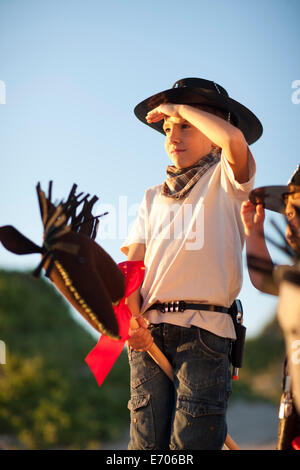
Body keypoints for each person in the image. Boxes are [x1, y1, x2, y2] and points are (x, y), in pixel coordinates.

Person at [120, 78, 262, 450]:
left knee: (191, 444)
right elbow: (132, 267)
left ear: (213, 134)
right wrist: (132, 321)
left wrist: (180, 108)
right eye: (167, 128)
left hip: (205, 333)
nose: (173, 134)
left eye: (186, 126)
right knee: (145, 446)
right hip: (149, 332)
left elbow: (235, 143)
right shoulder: (152, 197)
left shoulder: (228, 181)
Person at [241, 166, 300, 450]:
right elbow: (264, 278)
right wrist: (254, 233)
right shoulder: (295, 277)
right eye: (289, 214)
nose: (291, 226)